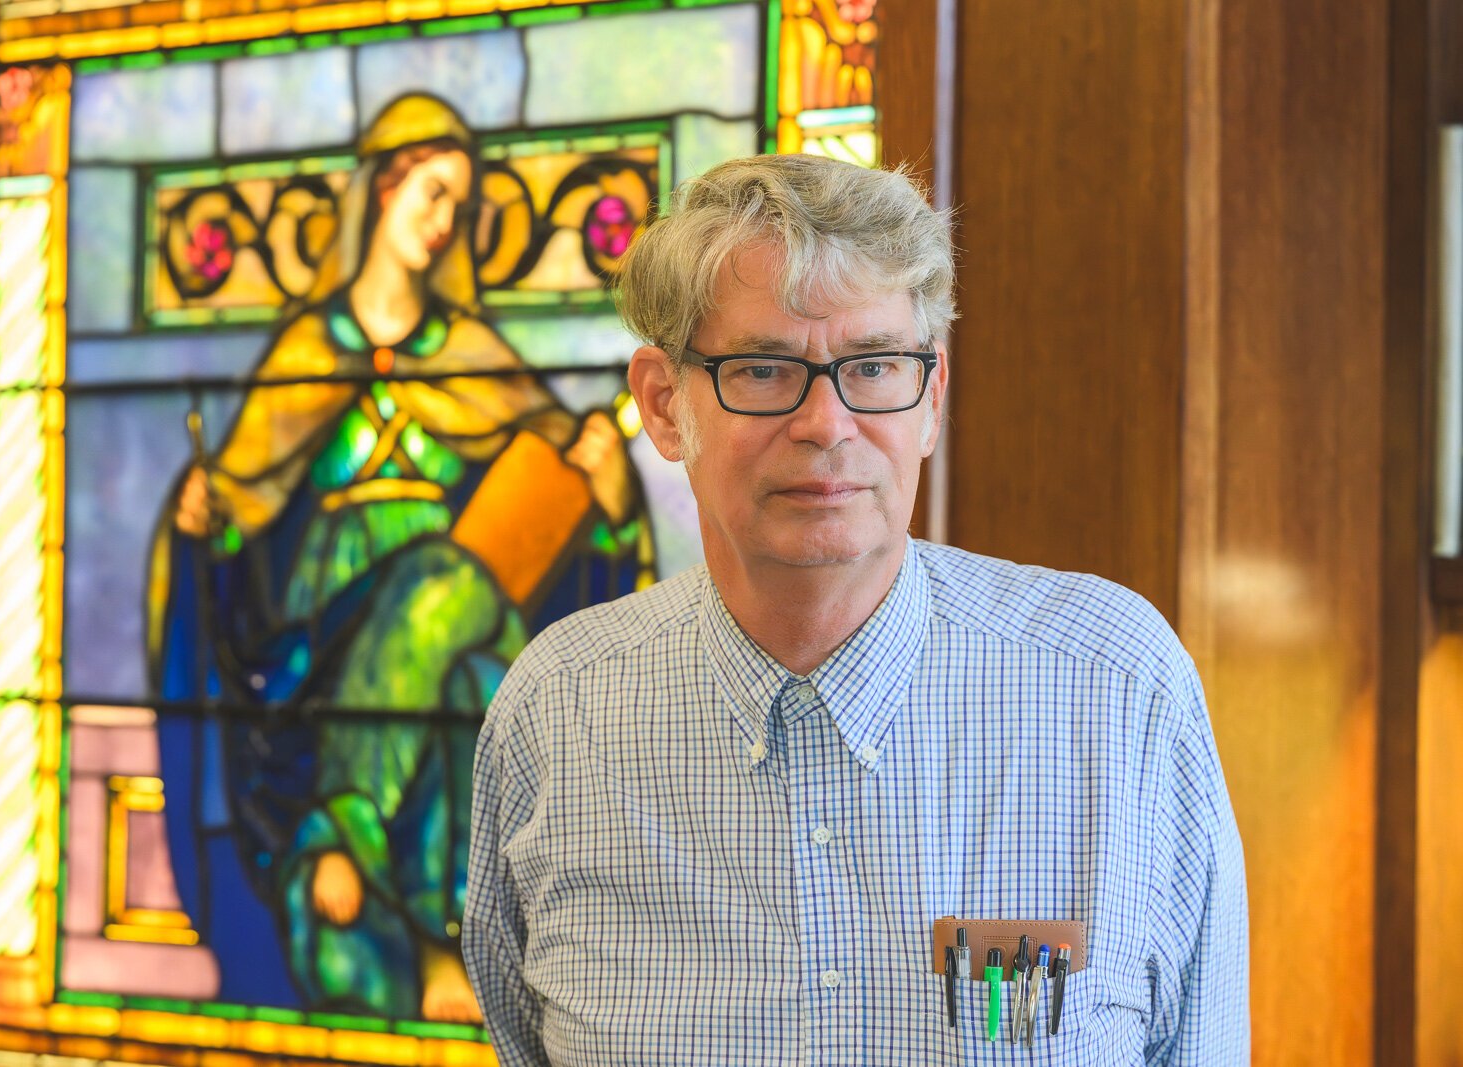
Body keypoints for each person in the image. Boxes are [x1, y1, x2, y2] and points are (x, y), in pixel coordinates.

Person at [463, 154, 1249, 1064]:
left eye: (873, 366)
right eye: (763, 370)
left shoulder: (1116, 690)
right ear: (664, 403)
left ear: (930, 400)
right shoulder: (556, 711)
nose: (828, 424)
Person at [146, 93, 646, 1023]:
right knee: (469, 687)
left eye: (460, 202)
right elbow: (238, 515)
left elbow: (571, 510)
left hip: (463, 596)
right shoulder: (306, 349)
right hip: (325, 643)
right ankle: (433, 956)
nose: (444, 219)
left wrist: (607, 492)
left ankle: (346, 831)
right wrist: (201, 516)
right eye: (431, 192)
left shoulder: (469, 351)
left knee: (440, 585)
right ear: (380, 190)